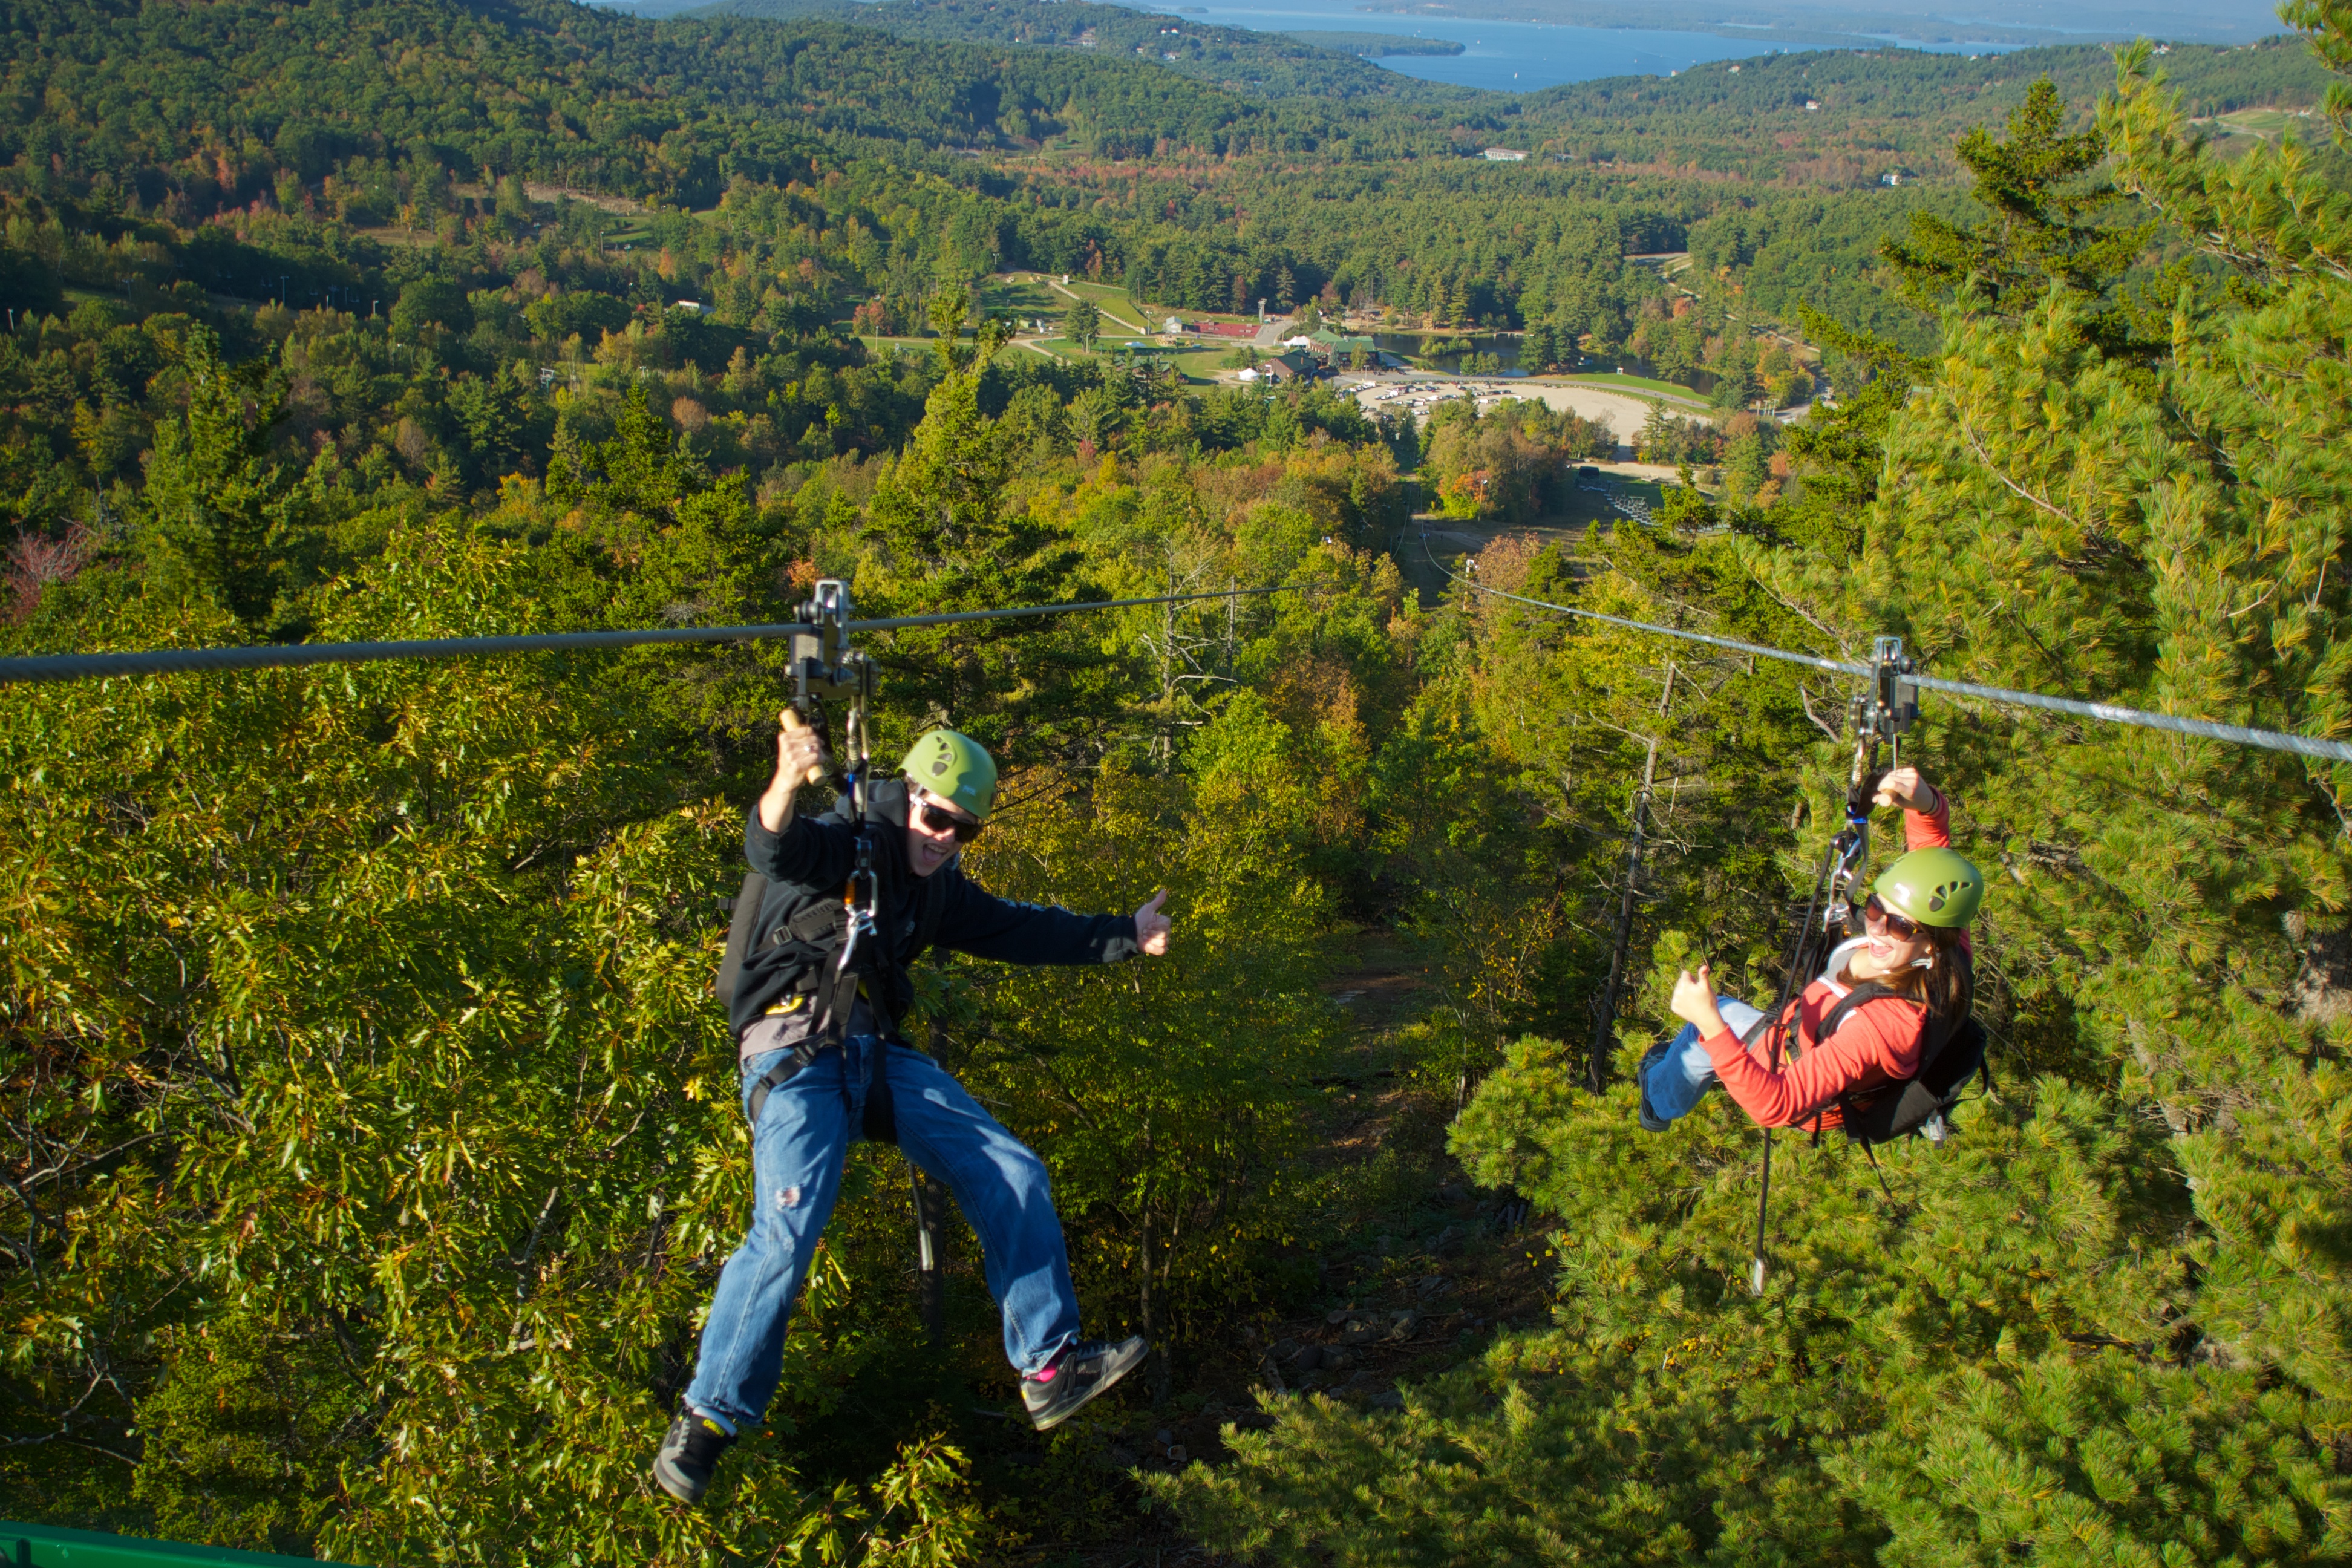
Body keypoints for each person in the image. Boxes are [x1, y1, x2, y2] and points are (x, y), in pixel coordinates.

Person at [653, 711, 1174, 1506]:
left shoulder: (936, 891)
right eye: (936, 820)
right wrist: (785, 783)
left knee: (1012, 1168)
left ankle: (1047, 1368)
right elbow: (775, 849)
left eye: (963, 832)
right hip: (796, 1059)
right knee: (789, 1229)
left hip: (873, 1058)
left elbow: (1016, 928)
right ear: (908, 798)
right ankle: (706, 1420)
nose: (944, 841)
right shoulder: (847, 842)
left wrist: (1124, 935)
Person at [1638, 765, 1983, 1133]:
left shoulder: (1883, 1025)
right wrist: (1926, 805)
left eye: (1900, 925)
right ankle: (1678, 1069)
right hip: (1800, 1037)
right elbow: (1932, 858)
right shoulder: (1947, 954)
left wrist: (1709, 1024)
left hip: (1794, 1071)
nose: (1878, 927)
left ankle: (1657, 1104)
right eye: (1876, 907)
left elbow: (1776, 1105)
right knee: (1711, 1026)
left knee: (1701, 1032)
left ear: (1932, 942)